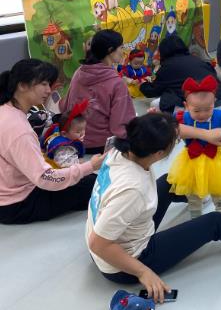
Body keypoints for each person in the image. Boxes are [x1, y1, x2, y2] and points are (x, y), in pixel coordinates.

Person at [86, 112, 221, 303]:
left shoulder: (121, 147)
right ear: (159, 154)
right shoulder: (133, 190)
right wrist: (143, 272)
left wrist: (206, 134)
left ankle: (197, 196)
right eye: (174, 143)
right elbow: (99, 244)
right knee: (214, 223)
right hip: (125, 262)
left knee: (169, 181)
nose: (177, 139)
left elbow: (175, 129)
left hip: (115, 236)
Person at [0, 59, 104, 224]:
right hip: (18, 204)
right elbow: (45, 178)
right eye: (43, 84)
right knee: (94, 183)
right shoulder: (19, 129)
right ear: (22, 85)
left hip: (8, 194)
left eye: (49, 84)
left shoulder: (6, 110)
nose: (48, 90)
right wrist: (91, 165)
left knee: (84, 178)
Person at [167, 76, 221, 218]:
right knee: (193, 194)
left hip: (216, 161)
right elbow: (174, 134)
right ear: (186, 105)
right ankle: (196, 218)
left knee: (219, 193)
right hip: (191, 162)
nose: (202, 114)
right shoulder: (183, 119)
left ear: (214, 102)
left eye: (208, 109)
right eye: (196, 111)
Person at [61, 30, 137, 154]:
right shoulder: (116, 83)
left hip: (75, 140)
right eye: (121, 47)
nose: (123, 52)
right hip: (102, 146)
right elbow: (121, 126)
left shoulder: (79, 72)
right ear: (110, 50)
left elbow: (66, 106)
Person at [140, 35, 221, 112]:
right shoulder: (197, 59)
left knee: (155, 104)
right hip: (220, 101)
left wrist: (143, 84)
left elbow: (153, 91)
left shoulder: (167, 66)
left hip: (198, 108)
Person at [40, 100, 89, 168]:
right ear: (64, 134)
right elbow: (63, 164)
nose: (82, 133)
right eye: (78, 132)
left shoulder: (68, 138)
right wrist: (79, 162)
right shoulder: (62, 148)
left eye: (83, 129)